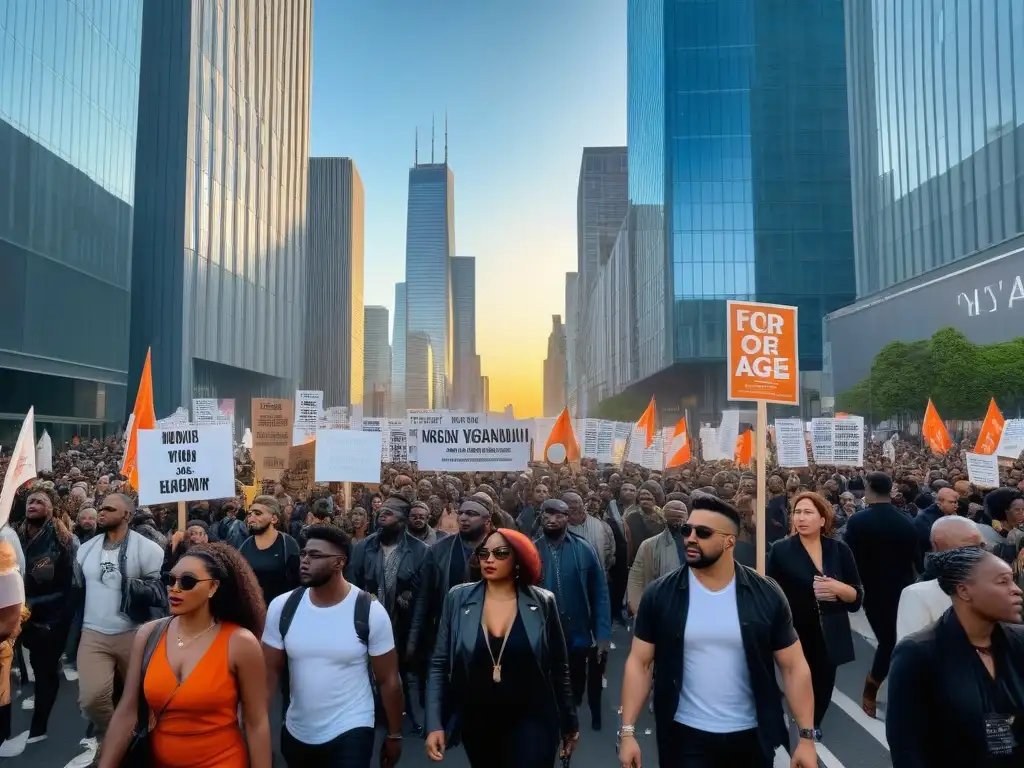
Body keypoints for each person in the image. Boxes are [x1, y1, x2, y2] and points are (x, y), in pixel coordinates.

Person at [618, 495, 817, 768]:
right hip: (685, 737)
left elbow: (794, 667)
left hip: (751, 737)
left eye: (703, 533)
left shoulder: (766, 593)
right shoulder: (661, 593)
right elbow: (640, 663)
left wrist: (806, 738)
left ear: (729, 541)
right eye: (688, 530)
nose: (690, 538)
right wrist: (627, 731)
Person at [98, 543, 271, 768]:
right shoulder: (149, 634)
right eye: (171, 580)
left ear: (213, 588)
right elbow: (127, 711)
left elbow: (256, 722)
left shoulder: (240, 643)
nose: (175, 588)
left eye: (187, 582)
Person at [425, 528, 579, 766]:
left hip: (533, 718)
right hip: (478, 720)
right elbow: (438, 664)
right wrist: (434, 723)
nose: (489, 559)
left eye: (500, 553)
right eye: (484, 553)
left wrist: (570, 724)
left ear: (519, 559)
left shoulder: (543, 602)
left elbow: (560, 668)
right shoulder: (457, 599)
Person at [262, 525, 404, 768]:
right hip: (297, 731)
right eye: (304, 554)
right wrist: (259, 729)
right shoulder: (282, 607)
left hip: (352, 728)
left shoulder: (370, 611)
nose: (305, 561)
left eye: (315, 556)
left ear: (340, 563)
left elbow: (389, 679)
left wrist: (394, 735)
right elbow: (268, 674)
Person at [887, 546, 1024, 766]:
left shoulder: (1019, 642)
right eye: (1003, 582)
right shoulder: (918, 653)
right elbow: (907, 749)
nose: (1016, 590)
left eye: (1014, 580)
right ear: (964, 591)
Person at [766, 492, 863, 729]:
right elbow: (771, 594)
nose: (801, 518)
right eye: (797, 512)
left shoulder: (839, 550)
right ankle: (803, 724)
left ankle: (813, 723)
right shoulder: (781, 550)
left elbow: (857, 597)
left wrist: (840, 589)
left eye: (808, 512)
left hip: (831, 630)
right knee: (799, 681)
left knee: (823, 683)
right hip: (796, 632)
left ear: (822, 519)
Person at [75, 493, 166, 744]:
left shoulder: (149, 550)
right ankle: (118, 738)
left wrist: (131, 586)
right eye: (100, 507)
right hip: (93, 633)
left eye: (108, 508)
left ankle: (139, 744)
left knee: (142, 697)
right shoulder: (85, 550)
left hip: (134, 634)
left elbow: (159, 593)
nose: (101, 512)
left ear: (126, 515)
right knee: (92, 699)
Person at [6, 488, 78, 756]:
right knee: (22, 668)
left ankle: (39, 727)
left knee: (44, 671)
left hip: (48, 620)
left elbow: (69, 589)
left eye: (39, 501)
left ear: (51, 508)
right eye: (29, 501)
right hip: (15, 617)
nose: (32, 505)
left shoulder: (63, 541)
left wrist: (51, 621)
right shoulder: (13, 536)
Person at [841, 471, 919, 717]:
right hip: (904, 591)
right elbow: (917, 560)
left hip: (874, 592)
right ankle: (888, 689)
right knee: (898, 640)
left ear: (867, 487)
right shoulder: (906, 520)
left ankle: (872, 688)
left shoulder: (857, 522)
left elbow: (848, 559)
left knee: (890, 642)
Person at [347, 495, 429, 731]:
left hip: (403, 621)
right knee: (369, 668)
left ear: (402, 520)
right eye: (381, 511)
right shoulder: (364, 547)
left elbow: (423, 596)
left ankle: (414, 716)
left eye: (389, 513)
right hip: (370, 620)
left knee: (408, 668)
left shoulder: (420, 551)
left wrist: (414, 631)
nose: (382, 515)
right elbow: (353, 585)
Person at [534, 497, 612, 731]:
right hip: (544, 631)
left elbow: (600, 594)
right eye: (547, 514)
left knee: (577, 679)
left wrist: (603, 635)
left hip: (578, 630)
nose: (552, 519)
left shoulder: (584, 548)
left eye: (558, 515)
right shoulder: (532, 549)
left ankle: (576, 708)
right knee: (549, 680)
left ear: (568, 518)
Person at [896, 516, 985, 641]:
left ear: (935, 546)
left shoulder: (917, 593)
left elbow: (908, 651)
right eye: (967, 549)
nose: (976, 554)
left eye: (981, 547)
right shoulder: (918, 594)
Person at [627, 499, 687, 615]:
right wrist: (639, 612)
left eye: (679, 515)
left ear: (686, 517)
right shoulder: (648, 545)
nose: (676, 521)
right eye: (671, 515)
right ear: (664, 517)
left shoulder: (699, 544)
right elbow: (636, 581)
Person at [239, 496, 300, 604]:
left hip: (282, 610)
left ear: (274, 519)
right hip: (254, 613)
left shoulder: (288, 544)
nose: (251, 518)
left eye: (258, 514)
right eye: (250, 514)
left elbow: (298, 583)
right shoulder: (245, 546)